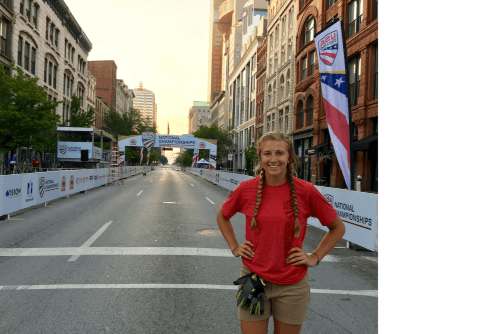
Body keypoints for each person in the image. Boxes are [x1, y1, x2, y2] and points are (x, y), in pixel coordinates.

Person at [216, 131, 346, 334]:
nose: (273, 159)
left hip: (292, 285)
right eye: (267, 154)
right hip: (253, 279)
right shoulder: (246, 189)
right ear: (260, 157)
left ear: (290, 157)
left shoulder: (306, 190)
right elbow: (222, 216)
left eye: (279, 153)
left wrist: (314, 257)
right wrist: (235, 247)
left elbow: (337, 228)